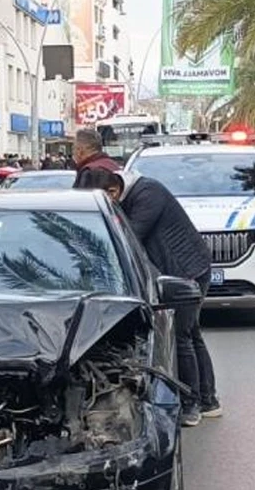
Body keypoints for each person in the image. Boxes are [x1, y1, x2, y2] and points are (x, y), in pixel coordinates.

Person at [77, 169, 221, 426]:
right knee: (191, 334)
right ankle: (208, 400)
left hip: (185, 273)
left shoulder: (148, 194)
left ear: (113, 191)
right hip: (178, 270)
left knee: (181, 336)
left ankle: (192, 404)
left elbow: (128, 237)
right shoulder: (133, 193)